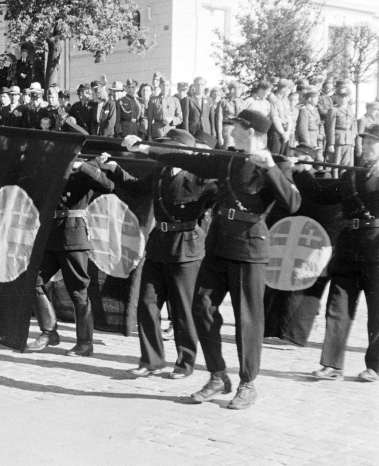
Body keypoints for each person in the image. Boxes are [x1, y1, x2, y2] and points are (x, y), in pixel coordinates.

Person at [125, 109, 301, 409]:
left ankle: (247, 383)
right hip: (219, 245)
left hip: (249, 248)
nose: (230, 131)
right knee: (201, 308)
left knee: (247, 319)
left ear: (251, 131)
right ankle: (218, 375)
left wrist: (271, 168)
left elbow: (293, 203)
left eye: (236, 127)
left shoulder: (278, 163)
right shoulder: (229, 159)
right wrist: (145, 148)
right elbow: (189, 160)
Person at [105, 129, 218, 378]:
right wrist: (114, 169)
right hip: (158, 245)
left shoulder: (200, 175)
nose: (162, 150)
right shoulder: (161, 170)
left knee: (182, 308)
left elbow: (218, 194)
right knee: (147, 303)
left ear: (182, 150)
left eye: (167, 146)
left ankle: (185, 363)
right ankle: (151, 361)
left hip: (185, 247)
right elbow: (137, 188)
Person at [297, 124, 379, 382]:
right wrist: (303, 172)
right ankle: (331, 365)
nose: (366, 146)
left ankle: (375, 367)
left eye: (373, 142)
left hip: (376, 249)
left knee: (377, 312)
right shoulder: (351, 175)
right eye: (365, 141)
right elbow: (322, 195)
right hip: (348, 246)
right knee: (338, 307)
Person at [25, 156, 114, 356]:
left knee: (78, 289)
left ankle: (85, 343)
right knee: (33, 279)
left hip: (74, 236)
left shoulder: (87, 168)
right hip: (51, 234)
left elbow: (108, 186)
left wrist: (82, 166)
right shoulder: (53, 166)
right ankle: (49, 333)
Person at [325, 89, 357, 178]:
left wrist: (353, 142)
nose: (343, 99)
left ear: (348, 98)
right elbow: (330, 127)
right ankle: (335, 180)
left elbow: (354, 125)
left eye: (345, 97)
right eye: (341, 96)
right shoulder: (333, 110)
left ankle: (343, 182)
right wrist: (331, 143)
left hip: (348, 139)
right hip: (338, 139)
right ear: (337, 97)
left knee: (345, 164)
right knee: (336, 164)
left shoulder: (350, 109)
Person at [216, 82, 246, 149]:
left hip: (239, 129)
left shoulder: (242, 102)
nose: (241, 92)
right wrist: (219, 135)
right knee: (228, 149)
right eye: (239, 89)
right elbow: (219, 120)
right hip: (228, 128)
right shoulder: (223, 102)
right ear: (233, 90)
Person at [267, 79, 294, 156]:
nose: (290, 91)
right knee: (275, 155)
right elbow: (275, 118)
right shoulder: (273, 100)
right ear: (284, 88)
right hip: (277, 131)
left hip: (286, 130)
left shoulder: (286, 100)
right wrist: (282, 133)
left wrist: (288, 132)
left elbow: (289, 117)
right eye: (289, 89)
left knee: (284, 155)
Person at [295, 87, 322, 159]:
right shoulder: (304, 110)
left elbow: (319, 123)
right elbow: (303, 129)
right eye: (316, 98)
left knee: (318, 159)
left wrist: (321, 134)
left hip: (316, 137)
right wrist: (307, 143)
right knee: (309, 159)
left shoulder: (315, 110)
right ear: (310, 99)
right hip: (309, 138)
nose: (318, 100)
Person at [355, 101, 379, 167]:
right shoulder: (363, 120)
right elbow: (359, 136)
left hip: (373, 150)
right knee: (363, 167)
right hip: (366, 147)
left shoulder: (376, 120)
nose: (376, 111)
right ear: (369, 109)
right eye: (375, 109)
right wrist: (359, 150)